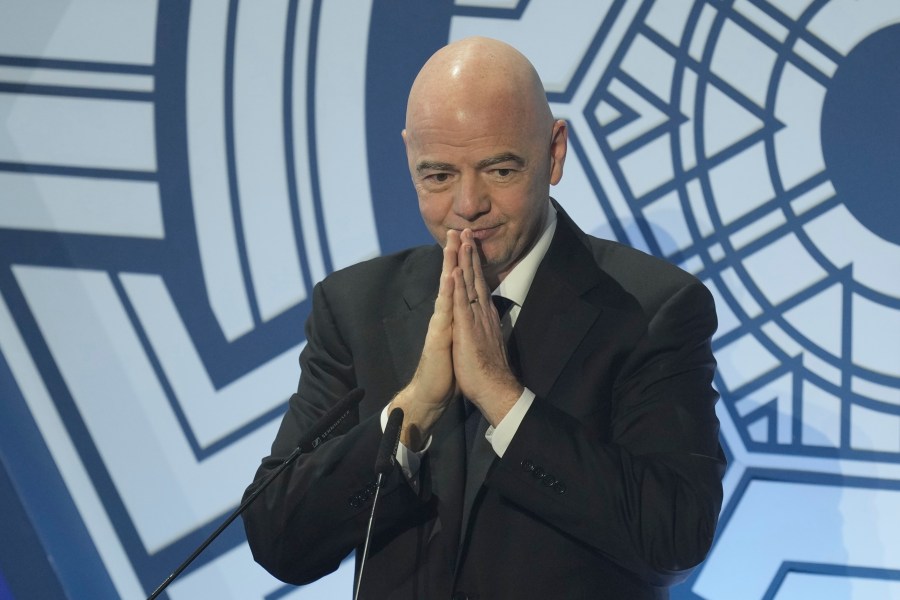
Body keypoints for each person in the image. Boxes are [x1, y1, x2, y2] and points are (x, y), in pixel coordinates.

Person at [242, 36, 725, 599]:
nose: (468, 204)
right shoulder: (354, 308)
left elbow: (674, 536)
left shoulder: (652, 309)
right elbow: (277, 537)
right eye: (439, 175)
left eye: (499, 170)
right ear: (409, 159)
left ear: (555, 152)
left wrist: (504, 399)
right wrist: (415, 407)